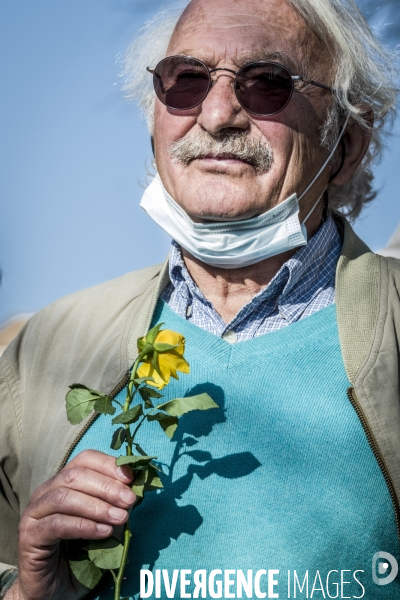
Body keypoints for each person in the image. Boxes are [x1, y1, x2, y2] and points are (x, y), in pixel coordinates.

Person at [1, 0, 400, 598]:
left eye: (267, 84)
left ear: (348, 145)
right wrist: (24, 592)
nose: (216, 115)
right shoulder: (47, 345)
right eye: (186, 82)